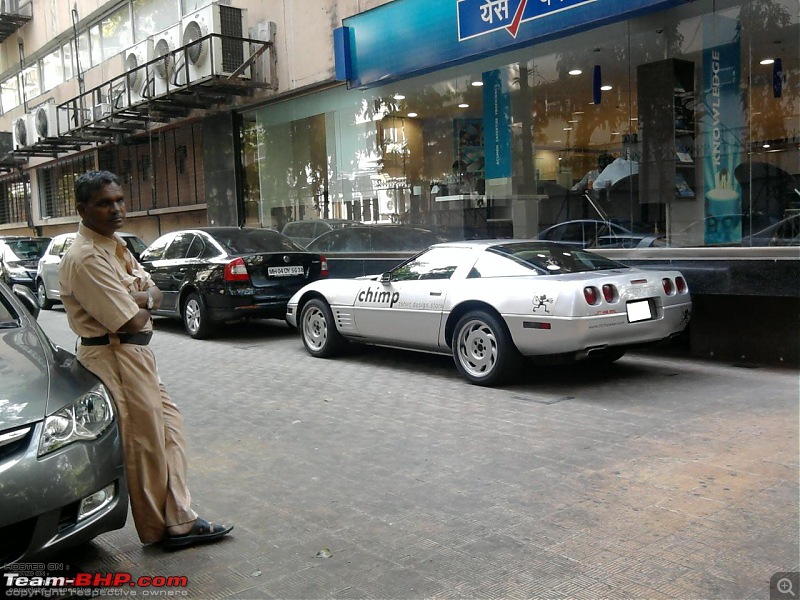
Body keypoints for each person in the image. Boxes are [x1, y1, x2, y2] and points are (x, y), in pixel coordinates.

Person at [59, 170, 232, 550]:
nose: (117, 209)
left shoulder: (115, 245)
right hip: (114, 353)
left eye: (119, 200)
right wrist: (143, 298)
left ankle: (179, 517)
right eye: (105, 203)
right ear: (83, 208)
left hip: (135, 354)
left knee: (169, 431)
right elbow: (132, 316)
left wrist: (142, 295)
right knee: (146, 444)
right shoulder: (85, 257)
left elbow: (154, 292)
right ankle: (162, 529)